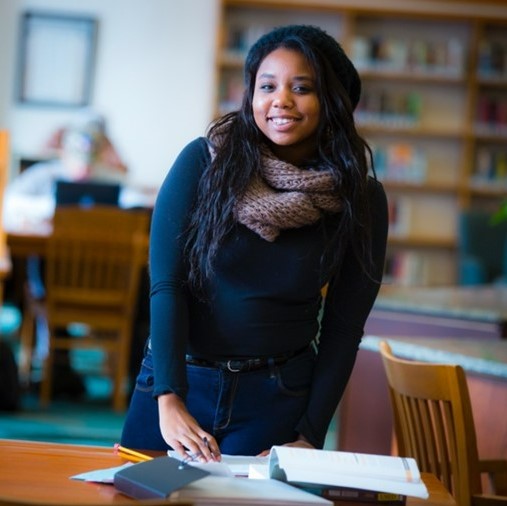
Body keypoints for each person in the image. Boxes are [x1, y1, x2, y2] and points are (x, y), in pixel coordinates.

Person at [121, 24, 388, 460]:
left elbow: (343, 328)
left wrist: (309, 434)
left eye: (301, 87)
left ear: (333, 100)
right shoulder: (203, 163)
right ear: (251, 96)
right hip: (178, 383)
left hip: (275, 397)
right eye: (267, 86)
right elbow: (166, 284)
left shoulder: (361, 200)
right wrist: (167, 399)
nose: (280, 100)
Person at [4, 111, 130, 397]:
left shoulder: (111, 181)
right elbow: (11, 204)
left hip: (100, 283)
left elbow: (136, 204)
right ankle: (48, 354)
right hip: (55, 284)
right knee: (36, 270)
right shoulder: (44, 176)